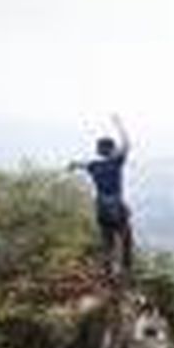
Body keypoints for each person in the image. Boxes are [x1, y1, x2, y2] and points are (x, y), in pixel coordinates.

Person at [70, 115, 133, 278]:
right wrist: (119, 125)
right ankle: (125, 272)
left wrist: (73, 165)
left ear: (100, 151)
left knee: (107, 242)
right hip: (115, 207)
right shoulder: (115, 162)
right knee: (125, 239)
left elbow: (80, 164)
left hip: (101, 207)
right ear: (111, 150)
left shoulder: (95, 165)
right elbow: (127, 144)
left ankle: (107, 271)